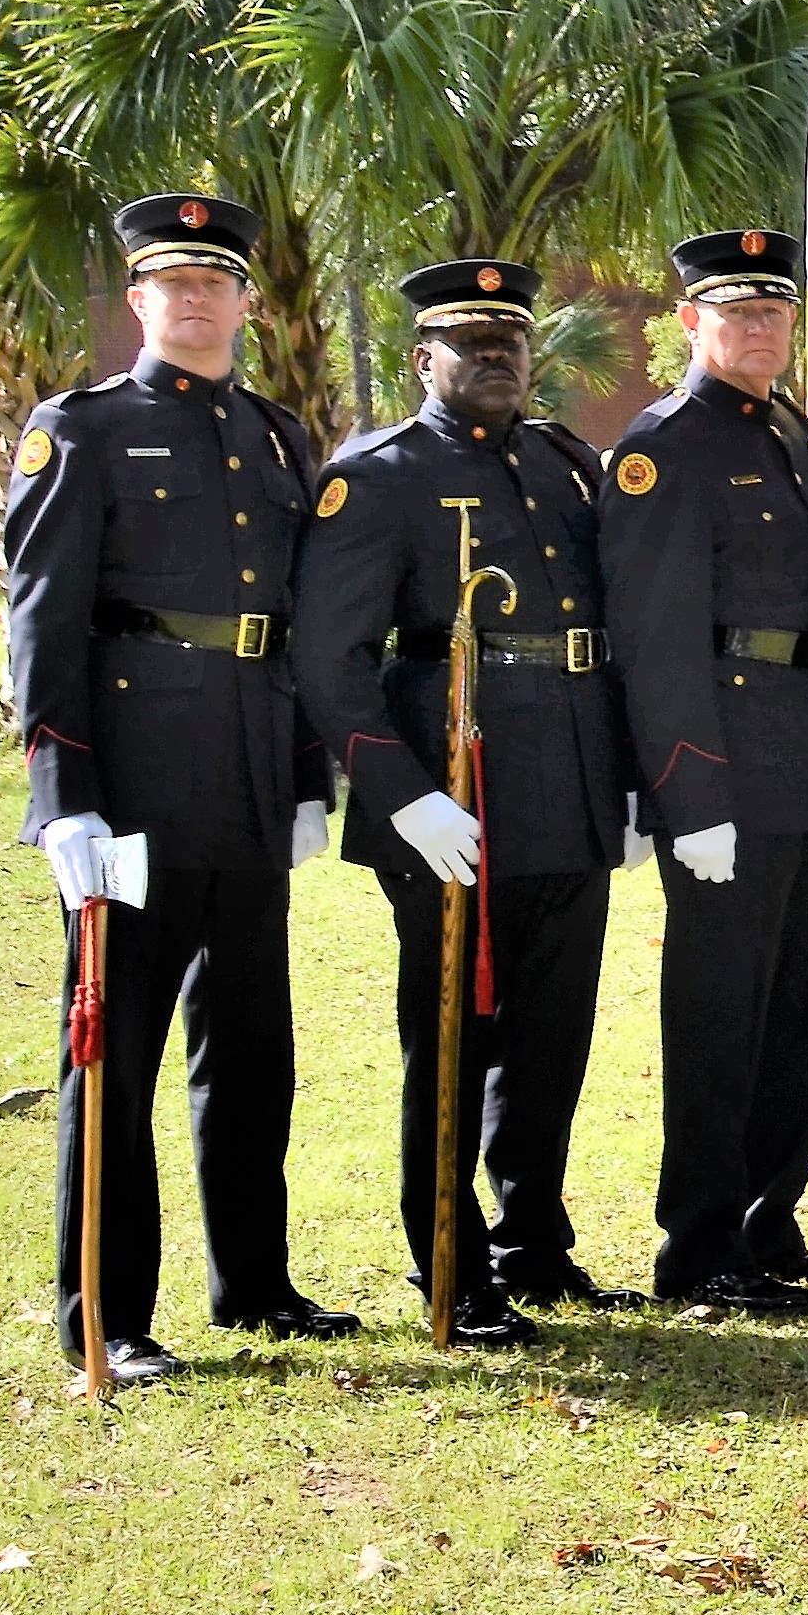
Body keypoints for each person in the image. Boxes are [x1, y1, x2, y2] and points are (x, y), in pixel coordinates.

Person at [2, 193, 346, 1385]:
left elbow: (293, 622)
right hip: (134, 781)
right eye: (172, 281)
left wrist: (309, 777)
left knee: (251, 1044)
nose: (197, 298)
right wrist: (65, 796)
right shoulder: (82, 427)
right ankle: (107, 1314)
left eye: (217, 280)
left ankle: (254, 1282)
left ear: (247, 301)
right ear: (139, 300)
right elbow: (41, 625)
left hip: (250, 770)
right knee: (118, 1049)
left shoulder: (272, 434)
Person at [293, 257, 641, 1340]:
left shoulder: (560, 462)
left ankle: (531, 1243)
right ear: (421, 359)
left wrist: (619, 781)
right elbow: (329, 657)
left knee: (552, 1035)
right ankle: (448, 1262)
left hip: (569, 781)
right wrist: (401, 798)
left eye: (511, 341)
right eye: (469, 342)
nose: (495, 357)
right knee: (452, 1034)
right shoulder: (381, 472)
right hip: (454, 792)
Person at [598, 227, 808, 1319]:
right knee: (718, 1016)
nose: (758, 329)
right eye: (735, 311)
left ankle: (766, 1223)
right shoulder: (666, 444)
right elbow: (654, 639)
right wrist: (688, 793)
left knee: (794, 1008)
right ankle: (697, 1247)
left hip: (803, 753)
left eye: (773, 312)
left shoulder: (791, 435)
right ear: (691, 322)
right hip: (725, 765)